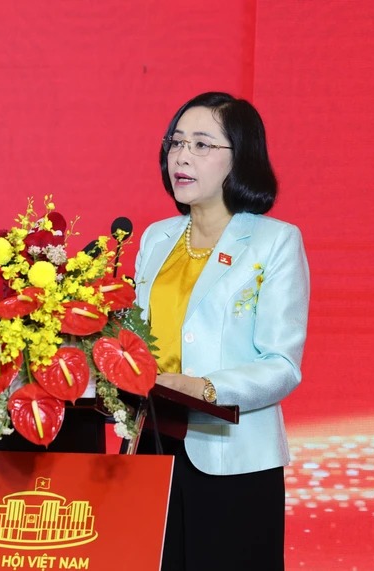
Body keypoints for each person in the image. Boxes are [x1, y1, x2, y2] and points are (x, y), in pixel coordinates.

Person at [134, 91, 310, 570]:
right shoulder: (155, 238)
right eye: (176, 143)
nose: (182, 156)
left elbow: (281, 364)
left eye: (202, 144)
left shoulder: (274, 242)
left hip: (235, 458)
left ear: (240, 158)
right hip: (153, 449)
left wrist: (205, 388)